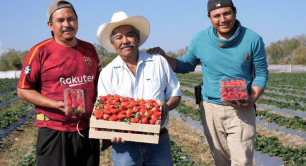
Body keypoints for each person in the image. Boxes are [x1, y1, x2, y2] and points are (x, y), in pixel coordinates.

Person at [147, 0, 269, 165]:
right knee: (221, 161)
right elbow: (186, 65)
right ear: (209, 17)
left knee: (242, 161)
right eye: (216, 15)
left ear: (235, 11)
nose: (223, 19)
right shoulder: (200, 39)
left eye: (227, 13)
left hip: (241, 108)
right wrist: (165, 58)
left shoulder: (252, 39)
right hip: (211, 108)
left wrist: (252, 98)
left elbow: (261, 73)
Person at [17, 0, 101, 165]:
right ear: (50, 25)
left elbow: (98, 85)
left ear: (77, 21)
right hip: (54, 130)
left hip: (86, 129)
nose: (67, 24)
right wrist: (56, 105)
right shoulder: (40, 51)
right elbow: (23, 90)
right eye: (60, 20)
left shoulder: (89, 49)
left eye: (71, 19)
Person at [96, 11, 182, 166]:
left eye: (129, 35)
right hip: (125, 144)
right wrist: (110, 130)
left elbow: (175, 93)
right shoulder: (107, 73)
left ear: (138, 38)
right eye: (119, 37)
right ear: (113, 44)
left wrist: (166, 107)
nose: (125, 41)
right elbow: (105, 110)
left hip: (158, 140)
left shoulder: (158, 62)